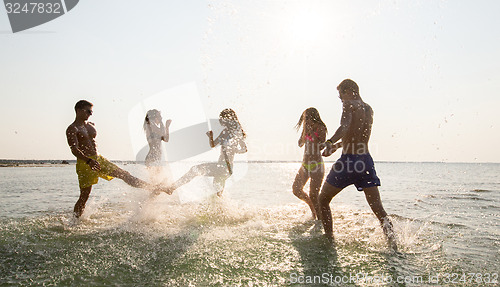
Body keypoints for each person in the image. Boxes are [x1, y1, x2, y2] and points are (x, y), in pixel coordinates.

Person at [319, 79, 397, 249]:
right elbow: (356, 135)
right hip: (365, 161)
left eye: (341, 96)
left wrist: (330, 142)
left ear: (349, 91)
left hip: (348, 161)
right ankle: (394, 246)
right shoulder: (369, 109)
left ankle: (329, 241)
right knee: (379, 211)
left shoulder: (348, 105)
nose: (341, 100)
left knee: (323, 199)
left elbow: (345, 127)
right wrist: (337, 146)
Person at [66, 100, 168, 218]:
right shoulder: (72, 128)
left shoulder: (91, 125)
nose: (90, 114)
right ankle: (75, 221)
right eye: (88, 111)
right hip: (85, 163)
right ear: (79, 110)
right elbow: (74, 149)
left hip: (99, 159)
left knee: (124, 175)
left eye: (91, 111)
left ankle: (153, 188)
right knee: (84, 196)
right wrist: (88, 160)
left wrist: (94, 159)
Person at [164, 108, 247, 196]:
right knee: (217, 192)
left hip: (224, 167)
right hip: (224, 167)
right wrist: (210, 137)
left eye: (222, 118)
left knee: (194, 170)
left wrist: (235, 150)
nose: (220, 120)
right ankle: (222, 208)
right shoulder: (227, 132)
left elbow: (244, 149)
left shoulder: (233, 133)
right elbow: (213, 144)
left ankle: (171, 188)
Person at [292, 108, 327, 220]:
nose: (305, 121)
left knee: (314, 194)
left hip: (317, 165)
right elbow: (300, 144)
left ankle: (320, 219)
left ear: (313, 117)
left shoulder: (321, 128)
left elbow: (321, 146)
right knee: (296, 189)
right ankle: (312, 207)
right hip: (305, 165)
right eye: (304, 119)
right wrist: (305, 132)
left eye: (306, 118)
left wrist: (312, 132)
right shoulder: (306, 128)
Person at [143, 109, 171, 181]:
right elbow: (161, 132)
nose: (161, 117)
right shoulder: (149, 125)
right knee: (157, 181)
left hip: (157, 158)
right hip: (152, 158)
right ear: (155, 116)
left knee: (158, 181)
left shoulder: (155, 128)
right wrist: (162, 123)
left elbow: (166, 139)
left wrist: (167, 127)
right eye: (160, 116)